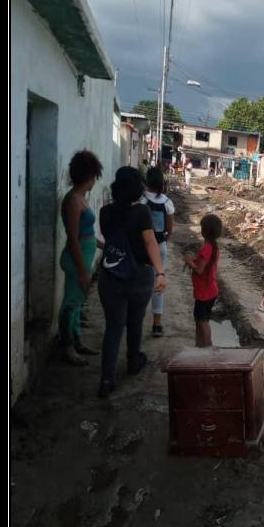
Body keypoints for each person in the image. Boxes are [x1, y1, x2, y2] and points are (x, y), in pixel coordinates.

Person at [97, 167, 167, 398]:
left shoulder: (105, 212)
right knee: (135, 321)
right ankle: (133, 361)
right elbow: (150, 243)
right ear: (137, 188)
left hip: (111, 276)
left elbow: (112, 240)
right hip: (139, 276)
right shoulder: (141, 212)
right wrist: (160, 272)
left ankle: (106, 380)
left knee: (113, 327)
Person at [58, 150, 104, 366]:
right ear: (89, 176)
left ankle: (76, 341)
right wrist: (83, 272)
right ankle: (67, 347)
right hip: (77, 261)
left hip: (83, 258)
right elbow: (73, 239)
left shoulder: (79, 199)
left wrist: (102, 245)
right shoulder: (73, 201)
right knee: (71, 304)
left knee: (76, 304)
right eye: (94, 176)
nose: (95, 181)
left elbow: (87, 234)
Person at [140, 166, 175, 337]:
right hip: (160, 246)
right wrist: (162, 242)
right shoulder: (167, 202)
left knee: (139, 282)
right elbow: (169, 229)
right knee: (158, 284)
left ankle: (136, 319)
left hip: (141, 247)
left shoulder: (141, 200)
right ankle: (156, 323)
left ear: (147, 181)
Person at [183, 213, 223, 347]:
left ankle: (207, 347)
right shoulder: (213, 247)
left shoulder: (207, 248)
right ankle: (199, 346)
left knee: (202, 321)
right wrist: (194, 260)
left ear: (204, 231)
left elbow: (199, 270)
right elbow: (204, 266)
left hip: (204, 292)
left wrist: (189, 262)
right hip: (209, 290)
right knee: (200, 319)